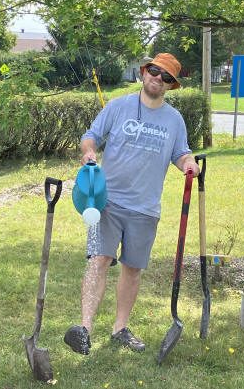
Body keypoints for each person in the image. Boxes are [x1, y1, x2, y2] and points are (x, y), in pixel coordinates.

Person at [64, 53, 200, 355]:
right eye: (154, 71)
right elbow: (91, 137)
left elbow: (181, 154)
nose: (158, 78)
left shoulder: (174, 120)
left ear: (170, 86)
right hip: (107, 202)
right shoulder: (118, 106)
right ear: (143, 72)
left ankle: (120, 329)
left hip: (145, 208)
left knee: (133, 269)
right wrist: (88, 153)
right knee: (98, 260)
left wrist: (189, 163)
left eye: (166, 77)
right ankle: (84, 330)